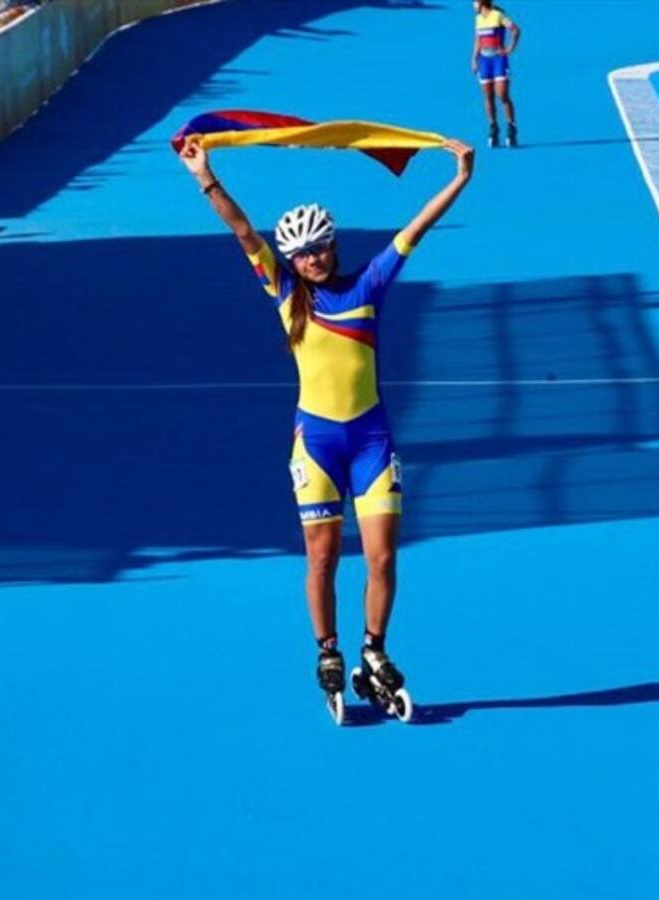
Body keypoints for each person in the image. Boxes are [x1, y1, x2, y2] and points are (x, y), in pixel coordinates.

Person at [178, 135, 474, 724]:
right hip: (315, 445)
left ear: (333, 246)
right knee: (322, 559)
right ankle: (329, 653)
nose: (314, 259)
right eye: (304, 254)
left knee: (383, 557)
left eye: (321, 248)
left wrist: (459, 177)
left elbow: (416, 229)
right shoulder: (286, 294)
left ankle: (373, 650)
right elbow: (243, 233)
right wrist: (204, 176)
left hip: (370, 441)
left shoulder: (369, 286)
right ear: (291, 261)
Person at [471, 0, 519, 148]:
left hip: (499, 60)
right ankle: (493, 127)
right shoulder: (478, 19)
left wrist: (509, 49)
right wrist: (474, 59)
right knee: (488, 96)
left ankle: (511, 127)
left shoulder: (497, 15)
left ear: (481, 2)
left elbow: (515, 30)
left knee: (502, 95)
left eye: (474, 1)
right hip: (484, 62)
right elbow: (478, 40)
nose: (472, 5)